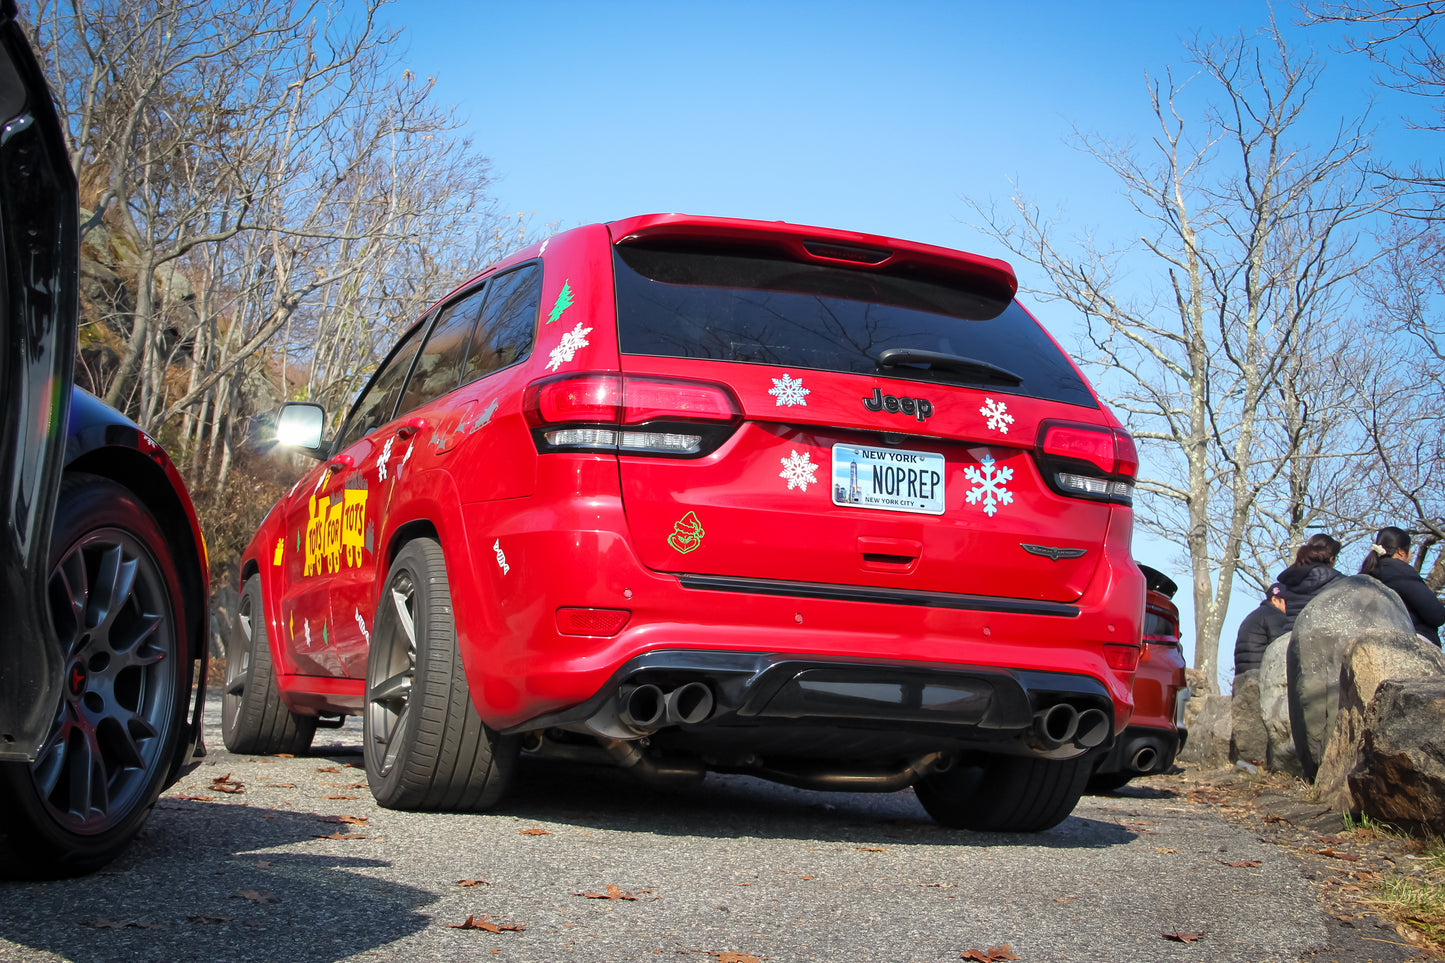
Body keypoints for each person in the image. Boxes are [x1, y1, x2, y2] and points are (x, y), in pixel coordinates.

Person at [1360, 526, 1445, 647]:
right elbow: (1436, 615)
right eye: (1410, 549)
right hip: (1411, 638)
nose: (1411, 554)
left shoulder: (1367, 572)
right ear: (1400, 552)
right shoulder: (1400, 572)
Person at [1275, 533, 1342, 633]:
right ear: (1331, 558)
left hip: (1290, 632)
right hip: (1321, 634)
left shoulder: (1289, 577)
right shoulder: (1338, 580)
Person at [1234, 582, 1287, 677]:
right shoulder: (1274, 616)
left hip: (1243, 674)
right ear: (1275, 600)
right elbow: (1280, 647)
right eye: (1287, 602)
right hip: (1260, 673)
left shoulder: (1255, 615)